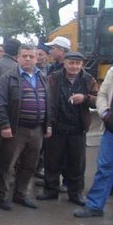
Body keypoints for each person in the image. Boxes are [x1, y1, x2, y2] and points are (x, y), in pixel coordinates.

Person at [0, 44, 52, 211]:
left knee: (29, 165)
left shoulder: (42, 78)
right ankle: (0, 196)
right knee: (7, 165)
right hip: (15, 129)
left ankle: (20, 195)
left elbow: (48, 103)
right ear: (18, 58)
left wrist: (48, 125)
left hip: (37, 130)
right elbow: (0, 103)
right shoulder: (8, 78)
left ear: (36, 58)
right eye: (24, 56)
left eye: (31, 56)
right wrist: (4, 125)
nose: (28, 59)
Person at [38, 51, 97, 206]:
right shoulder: (53, 78)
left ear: (82, 65)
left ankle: (75, 193)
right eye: (71, 63)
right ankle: (50, 191)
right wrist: (48, 124)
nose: (74, 66)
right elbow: (46, 100)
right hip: (57, 127)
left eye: (78, 63)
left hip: (78, 129)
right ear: (64, 63)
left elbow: (98, 100)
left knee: (76, 164)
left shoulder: (88, 79)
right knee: (52, 161)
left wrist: (84, 98)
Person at [75, 66, 113, 218]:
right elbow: (102, 95)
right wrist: (104, 113)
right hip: (111, 130)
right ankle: (95, 205)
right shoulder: (112, 72)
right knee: (104, 167)